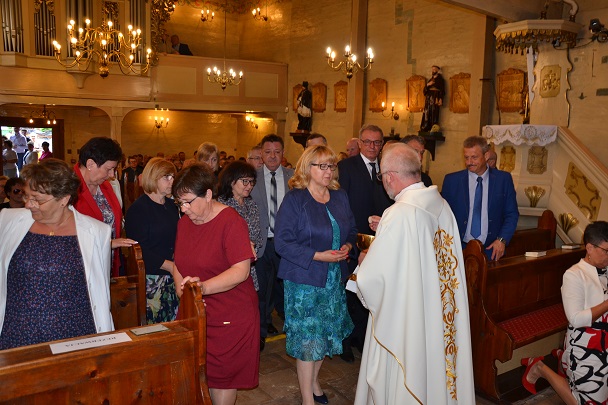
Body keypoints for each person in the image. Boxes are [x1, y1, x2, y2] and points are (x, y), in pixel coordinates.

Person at [354, 143, 475, 405]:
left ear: (390, 176)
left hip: (407, 318)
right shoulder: (441, 205)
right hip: (438, 312)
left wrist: (364, 261)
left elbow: (373, 279)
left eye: (382, 177)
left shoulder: (399, 213)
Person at [0, 159, 114, 350]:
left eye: (37, 199)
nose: (28, 204)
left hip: (74, 335)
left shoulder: (97, 232)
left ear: (64, 199)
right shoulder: (7, 220)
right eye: (27, 196)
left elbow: (100, 291)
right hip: (17, 334)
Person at [274, 145, 356, 405]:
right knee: (308, 341)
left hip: (332, 280)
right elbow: (282, 243)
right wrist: (317, 255)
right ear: (307, 168)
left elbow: (351, 230)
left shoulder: (340, 196)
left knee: (326, 336)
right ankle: (307, 399)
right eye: (322, 166)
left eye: (332, 166)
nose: (329, 171)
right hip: (304, 281)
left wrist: (348, 246)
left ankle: (314, 382)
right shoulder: (295, 199)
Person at [172, 164, 259, 405]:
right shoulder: (184, 223)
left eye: (188, 202)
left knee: (223, 380)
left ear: (208, 194)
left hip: (230, 313)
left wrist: (203, 288)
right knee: (197, 375)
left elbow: (241, 271)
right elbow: (178, 262)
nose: (184, 209)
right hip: (196, 310)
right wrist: (182, 290)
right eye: (179, 203)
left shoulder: (231, 222)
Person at [521, 221, 608, 404]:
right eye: (606, 251)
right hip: (586, 346)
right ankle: (540, 367)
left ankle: (563, 359)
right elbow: (576, 319)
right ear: (590, 248)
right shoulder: (574, 275)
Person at [336, 124, 393, 362]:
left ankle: (362, 337)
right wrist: (355, 243)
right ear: (359, 143)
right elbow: (341, 205)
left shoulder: (388, 167)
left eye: (377, 142)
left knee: (370, 291)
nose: (372, 146)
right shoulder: (346, 166)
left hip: (382, 238)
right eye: (367, 142)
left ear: (382, 145)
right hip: (353, 239)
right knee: (349, 291)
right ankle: (345, 341)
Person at [442, 136, 519, 261]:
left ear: (486, 155)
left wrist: (502, 240)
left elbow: (511, 214)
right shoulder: (452, 181)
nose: (469, 162)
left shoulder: (503, 180)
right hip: (458, 249)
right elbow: (443, 216)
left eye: (474, 157)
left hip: (491, 249)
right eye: (466, 157)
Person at [250, 134, 294, 350]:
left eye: (277, 152)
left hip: (287, 243)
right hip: (262, 243)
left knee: (288, 288)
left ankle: (292, 328)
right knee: (262, 291)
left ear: (283, 153)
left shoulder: (294, 177)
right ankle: (260, 331)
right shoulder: (253, 178)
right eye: (268, 152)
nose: (273, 156)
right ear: (261, 154)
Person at [125, 158, 180, 324]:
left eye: (173, 177)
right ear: (153, 178)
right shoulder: (138, 209)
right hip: (153, 278)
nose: (172, 181)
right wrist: (170, 266)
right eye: (166, 177)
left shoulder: (172, 205)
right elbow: (140, 249)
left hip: (174, 273)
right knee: (156, 325)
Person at [73, 137, 137, 277]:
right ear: (90, 164)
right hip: (82, 269)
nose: (112, 175)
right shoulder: (67, 189)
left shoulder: (105, 186)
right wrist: (108, 243)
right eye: (109, 169)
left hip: (108, 263)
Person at [217, 161, 263, 291]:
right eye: (245, 181)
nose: (249, 186)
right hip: (227, 266)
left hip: (249, 263)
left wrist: (252, 244)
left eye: (252, 182)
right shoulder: (221, 205)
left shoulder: (251, 204)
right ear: (231, 181)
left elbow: (258, 236)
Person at [420, 65, 445, 132]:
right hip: (428, 98)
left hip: (435, 98)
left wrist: (440, 98)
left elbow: (442, 90)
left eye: (434, 69)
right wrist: (428, 85)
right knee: (427, 112)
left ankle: (433, 127)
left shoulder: (440, 80)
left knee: (434, 112)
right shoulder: (430, 80)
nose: (433, 71)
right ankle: (426, 126)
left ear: (437, 70)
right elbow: (424, 91)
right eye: (432, 69)